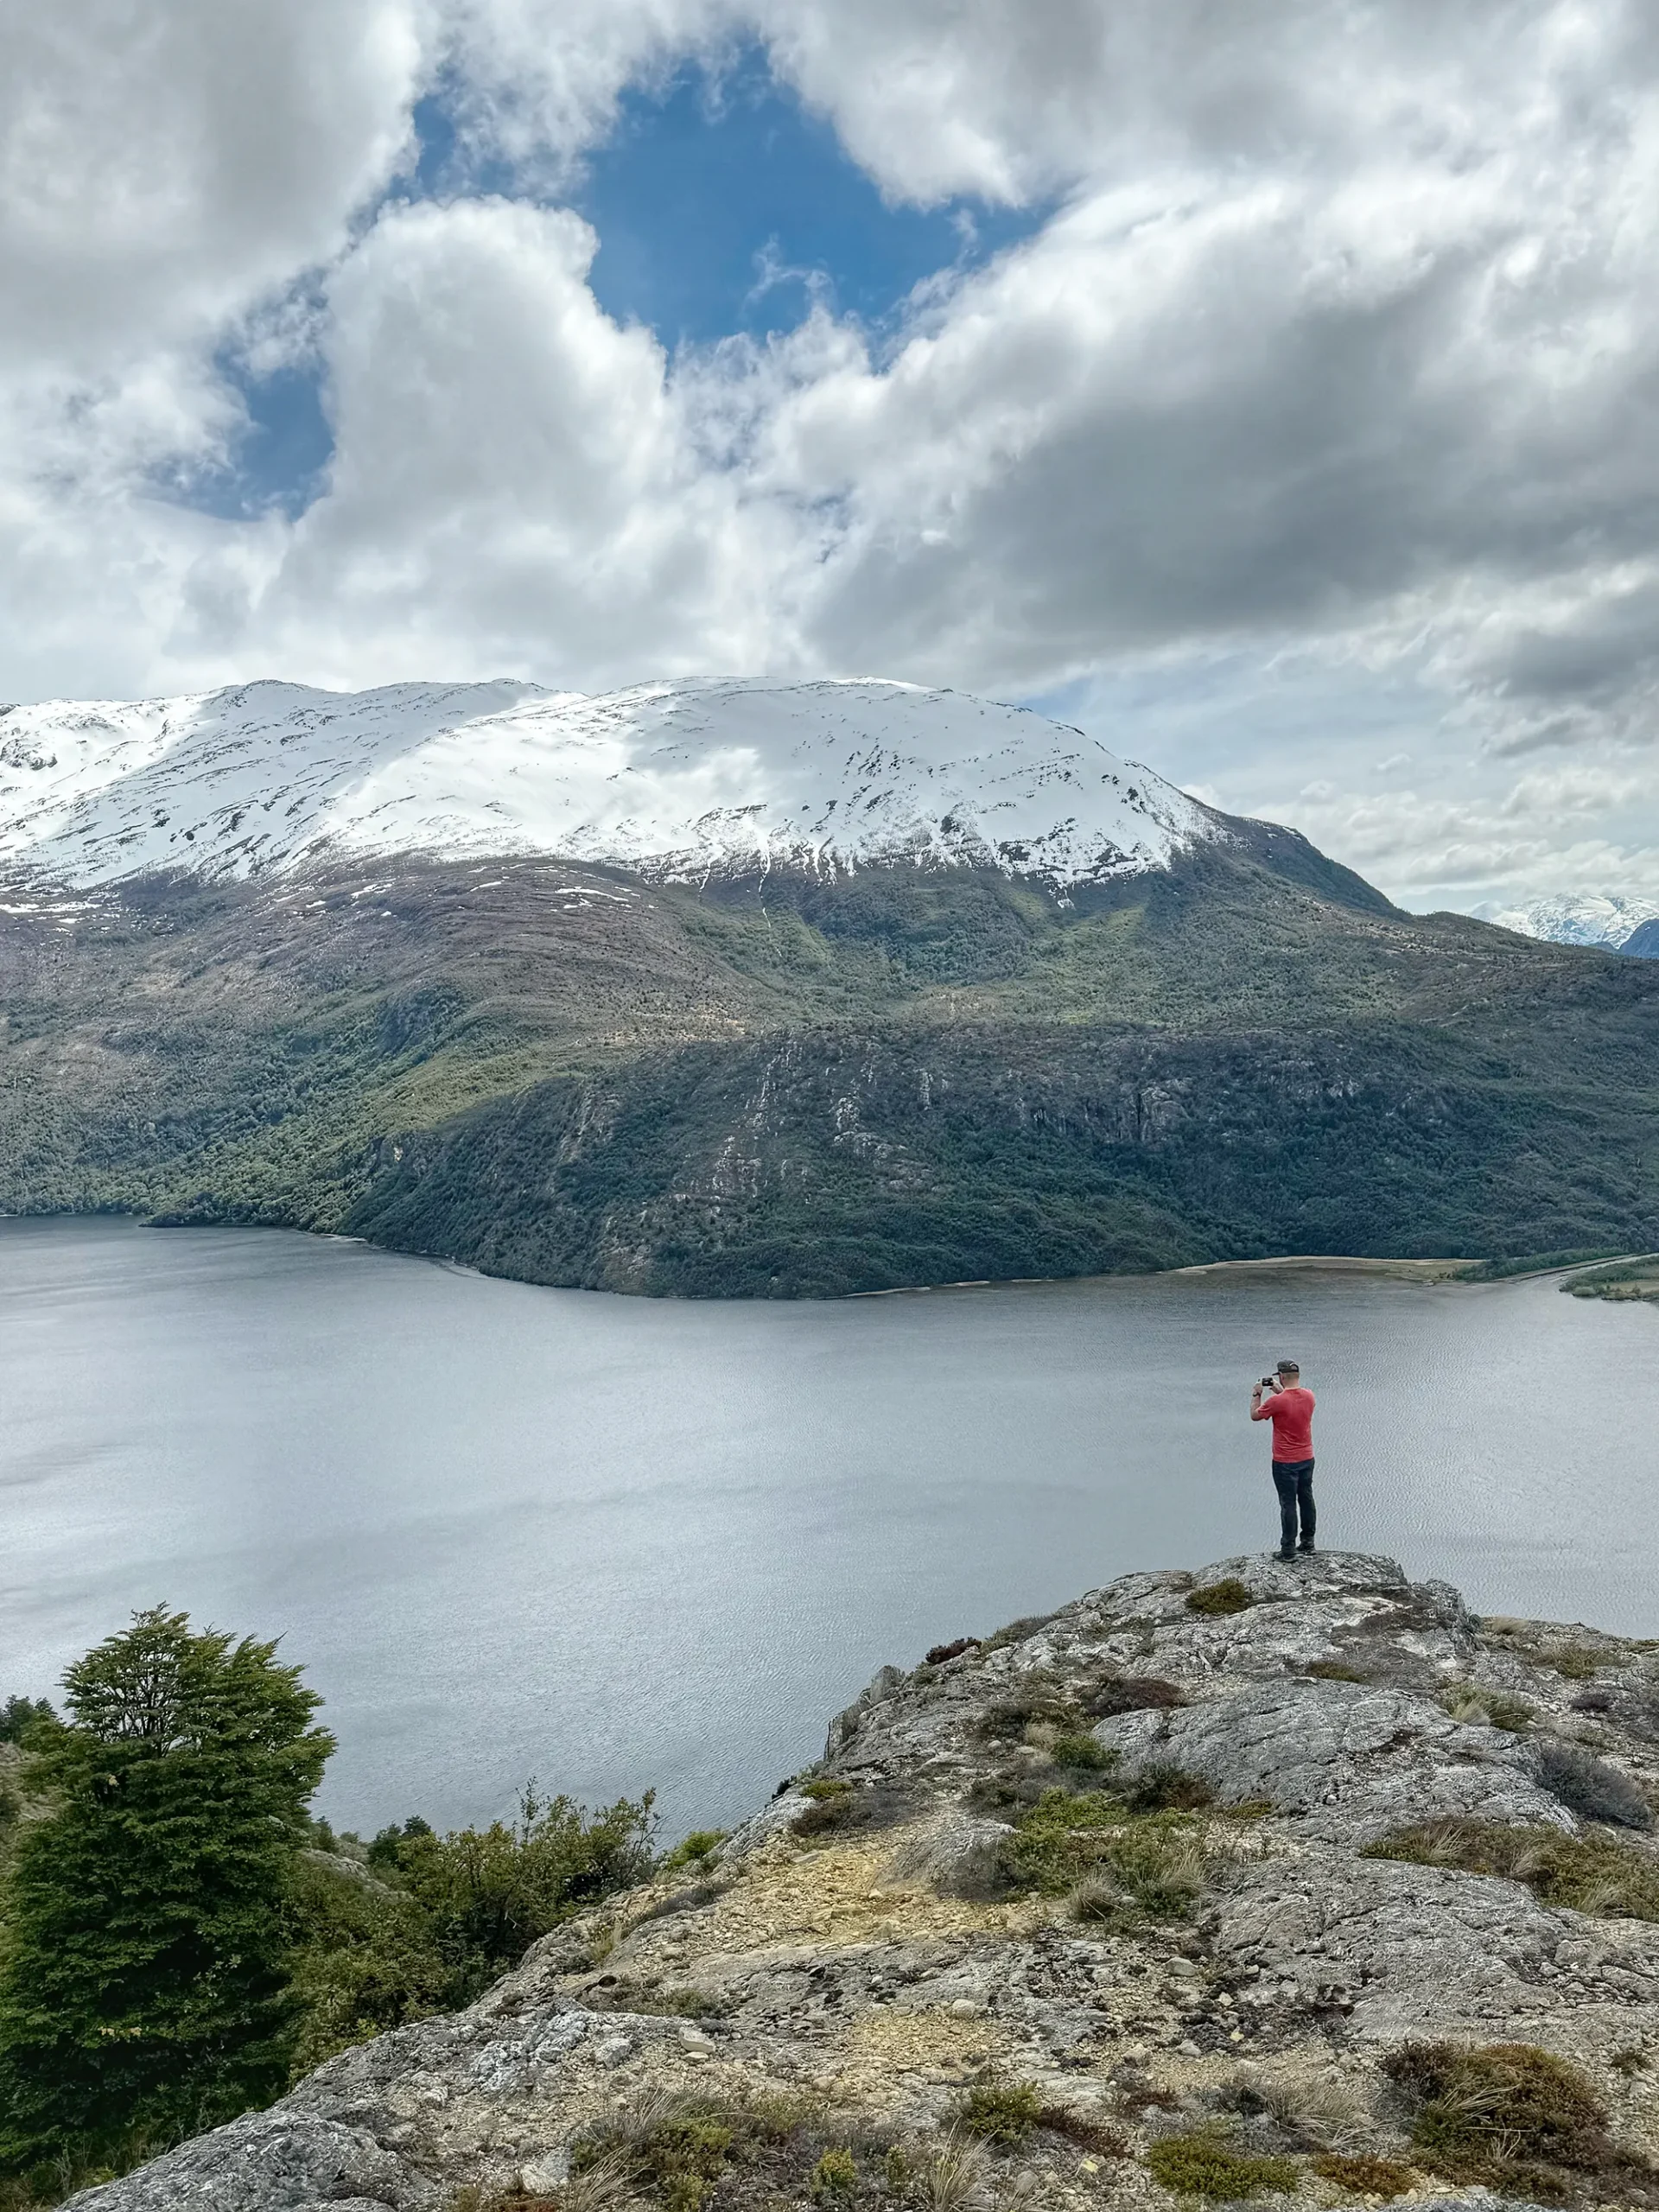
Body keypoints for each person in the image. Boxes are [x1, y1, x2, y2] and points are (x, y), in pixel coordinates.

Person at [1250, 1359, 1316, 1560]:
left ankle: (1288, 1550)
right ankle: (1308, 1543)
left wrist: (1257, 1394)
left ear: (1281, 1377)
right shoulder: (1309, 1396)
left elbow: (1255, 1415)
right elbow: (1292, 1402)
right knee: (1306, 1499)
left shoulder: (1276, 1402)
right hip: (1307, 1457)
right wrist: (1280, 1391)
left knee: (1288, 1504)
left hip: (1284, 1462)